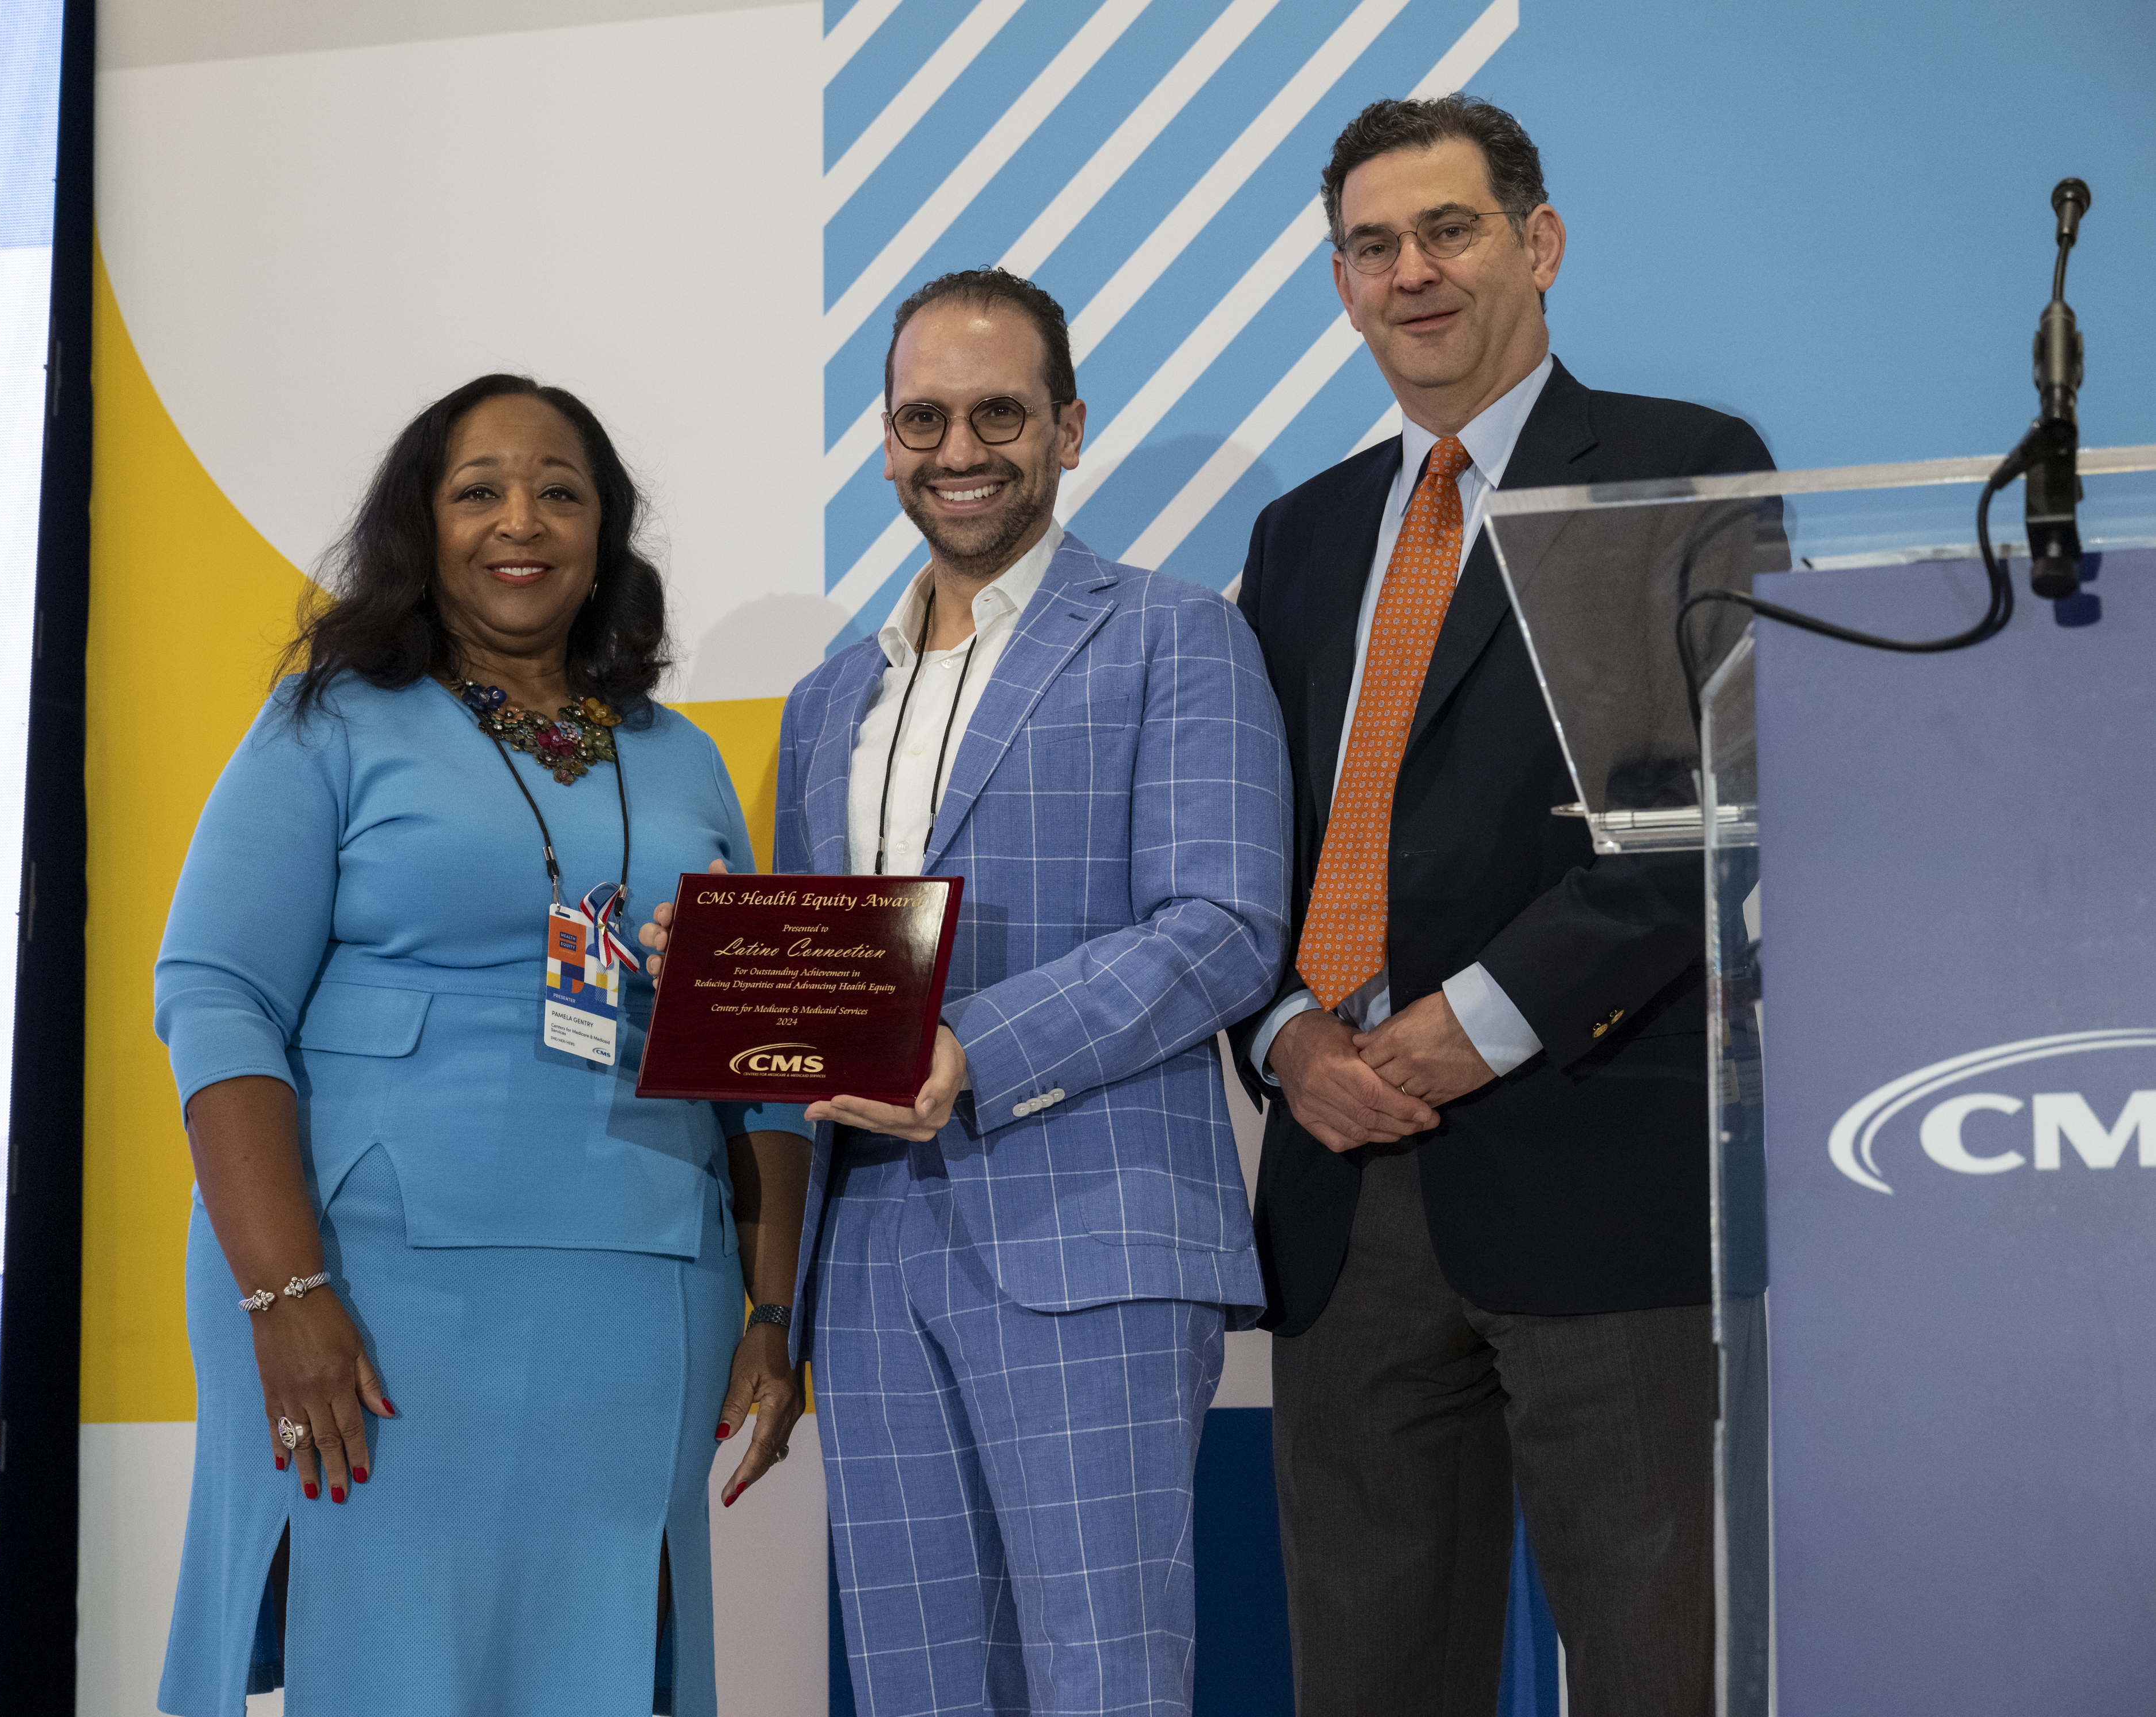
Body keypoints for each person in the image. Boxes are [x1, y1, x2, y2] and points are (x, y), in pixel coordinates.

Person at [665, 268, 1292, 1715]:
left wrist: (970, 1046)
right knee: (912, 1687)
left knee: (1105, 1678)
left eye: (1000, 413)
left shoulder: (1175, 634)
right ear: (884, 441)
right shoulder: (829, 701)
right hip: (869, 1258)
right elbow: (810, 979)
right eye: (924, 417)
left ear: (1068, 428)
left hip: (1092, 1240)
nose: (961, 449)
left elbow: (1225, 926)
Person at [151, 374, 812, 1717]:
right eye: (480, 490)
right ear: (422, 526)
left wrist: (774, 1306)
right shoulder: (326, 724)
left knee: (596, 1672)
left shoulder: (682, 760)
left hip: (641, 1299)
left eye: (561, 491)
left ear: (606, 535)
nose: (524, 520)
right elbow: (216, 997)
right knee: (386, 1666)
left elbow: (768, 1062)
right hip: (370, 1293)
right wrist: (286, 1296)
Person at [1227, 96, 1776, 1715]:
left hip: (1600, 1163)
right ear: (1338, 280)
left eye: (1446, 231)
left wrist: (1471, 1026)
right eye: (1370, 245)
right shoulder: (1302, 535)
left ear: (1534, 244)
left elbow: (1715, 814)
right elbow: (1250, 842)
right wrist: (1283, 1041)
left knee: (1655, 1671)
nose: (1411, 273)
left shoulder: (1684, 466)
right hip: (1340, 1188)